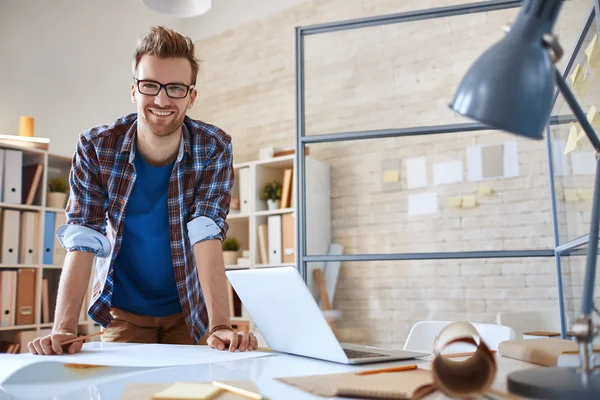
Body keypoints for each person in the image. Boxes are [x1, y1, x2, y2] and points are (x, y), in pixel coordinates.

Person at [28, 26, 258, 355]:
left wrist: (220, 325)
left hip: (189, 310)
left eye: (176, 88)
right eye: (150, 85)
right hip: (123, 311)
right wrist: (63, 329)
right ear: (134, 91)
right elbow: (83, 235)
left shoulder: (214, 147)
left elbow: (206, 231)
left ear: (191, 97)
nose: (162, 99)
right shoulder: (96, 146)